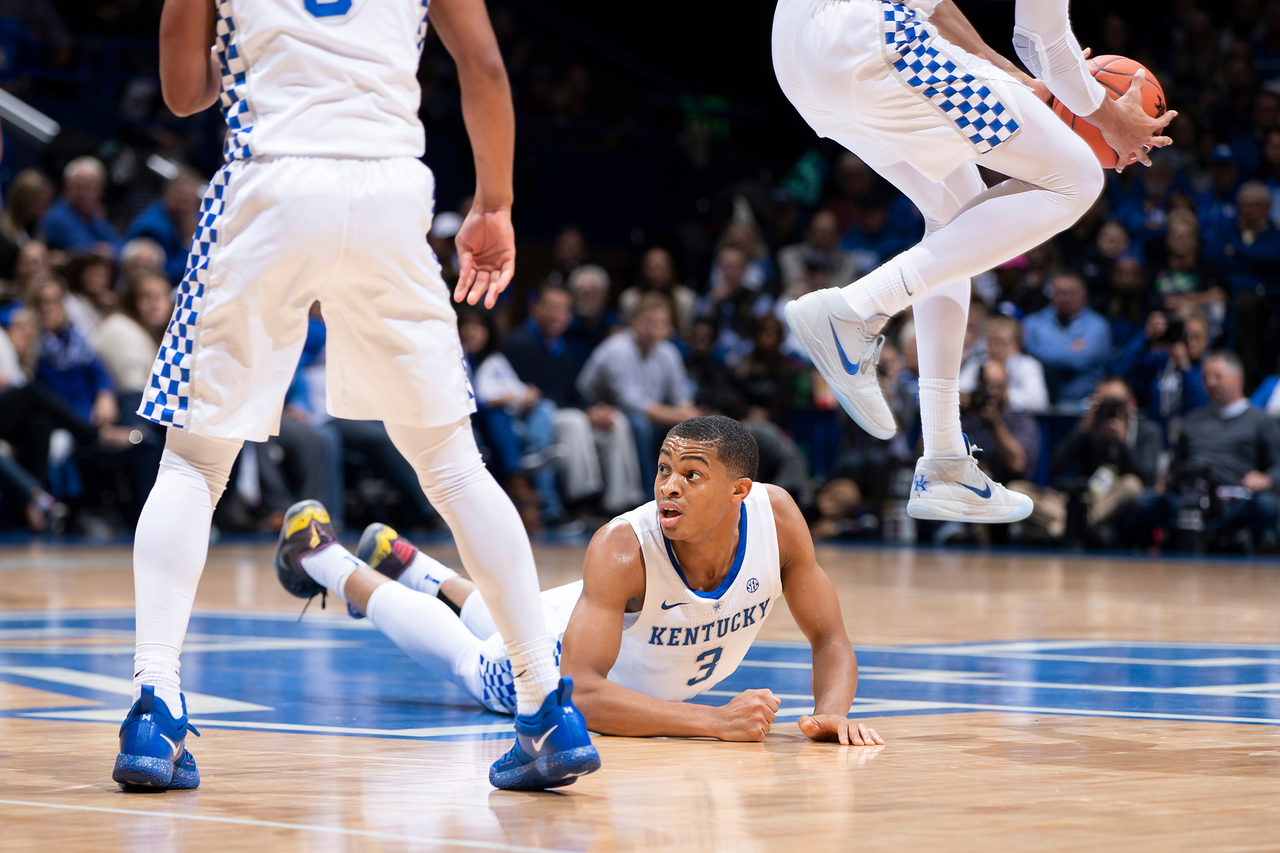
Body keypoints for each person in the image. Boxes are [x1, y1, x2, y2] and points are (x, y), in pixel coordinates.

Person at [115, 0, 598, 794]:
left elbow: (182, 92)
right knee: (453, 466)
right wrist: (496, 203)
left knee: (194, 467)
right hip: (388, 192)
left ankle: (155, 705)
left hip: (271, 182)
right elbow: (482, 68)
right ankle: (546, 705)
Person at [772, 0, 1172, 525]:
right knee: (1076, 177)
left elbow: (937, 10)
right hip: (869, 36)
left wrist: (1010, 76)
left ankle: (944, 461)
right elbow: (1043, 41)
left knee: (955, 220)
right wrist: (1108, 113)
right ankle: (855, 309)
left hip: (799, 58)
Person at [278, 416, 883, 746]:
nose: (669, 485)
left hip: (599, 619)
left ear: (738, 490)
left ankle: (410, 564)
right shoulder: (623, 548)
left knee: (504, 612)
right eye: (664, 469)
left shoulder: (777, 519)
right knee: (476, 664)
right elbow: (581, 693)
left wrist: (831, 712)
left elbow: (830, 636)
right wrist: (715, 721)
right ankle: (324, 560)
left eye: (691, 475)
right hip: (559, 646)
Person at [578, 294, 699, 488]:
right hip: (599, 411)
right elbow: (631, 403)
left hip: (648, 413)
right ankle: (649, 494)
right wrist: (679, 416)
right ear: (633, 322)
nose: (654, 329)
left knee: (689, 428)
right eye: (648, 322)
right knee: (640, 425)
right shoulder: (617, 349)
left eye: (661, 323)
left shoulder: (669, 352)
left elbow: (681, 398)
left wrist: (690, 417)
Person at [1022, 272, 1113, 404]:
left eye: (1071, 293)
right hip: (1040, 402)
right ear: (1050, 294)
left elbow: (1079, 360)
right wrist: (1068, 347)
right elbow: (1027, 354)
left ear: (1084, 294)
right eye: (1059, 293)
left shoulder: (1098, 325)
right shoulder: (1032, 322)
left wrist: (1045, 348)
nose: (1065, 299)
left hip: (1084, 403)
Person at [124, 170, 204, 285]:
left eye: (191, 199)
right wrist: (189, 242)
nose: (188, 206)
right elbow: (165, 276)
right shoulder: (152, 229)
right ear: (169, 194)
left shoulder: (183, 218)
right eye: (183, 199)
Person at [959, 315, 1048, 413]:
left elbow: (1039, 402)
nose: (995, 348)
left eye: (1001, 342)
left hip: (1018, 421)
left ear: (1017, 344)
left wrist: (1004, 396)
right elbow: (962, 389)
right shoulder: (979, 362)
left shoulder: (1028, 365)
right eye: (991, 342)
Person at [40, 157, 123, 256]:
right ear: (66, 186)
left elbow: (121, 248)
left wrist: (109, 251)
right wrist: (106, 251)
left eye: (89, 187)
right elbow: (88, 254)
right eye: (78, 186)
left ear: (100, 191)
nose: (83, 193)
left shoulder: (94, 216)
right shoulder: (55, 217)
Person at [619, 247, 698, 338]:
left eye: (662, 268)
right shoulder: (629, 299)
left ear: (671, 269)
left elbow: (687, 335)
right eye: (652, 268)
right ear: (643, 269)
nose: (657, 273)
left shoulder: (686, 299)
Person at [777, 210, 860, 293]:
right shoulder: (790, 255)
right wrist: (807, 281)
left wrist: (826, 283)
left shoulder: (848, 263)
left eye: (827, 234)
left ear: (836, 236)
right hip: (799, 296)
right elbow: (792, 286)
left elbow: (841, 293)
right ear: (809, 232)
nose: (821, 239)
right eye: (817, 232)